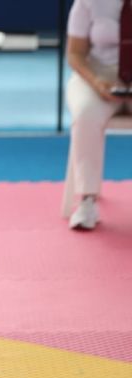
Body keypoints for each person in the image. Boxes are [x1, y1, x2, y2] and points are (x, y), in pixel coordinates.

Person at [63, 0, 132, 230]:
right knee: (85, 113)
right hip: (96, 74)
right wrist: (97, 82)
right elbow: (75, 53)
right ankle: (87, 200)